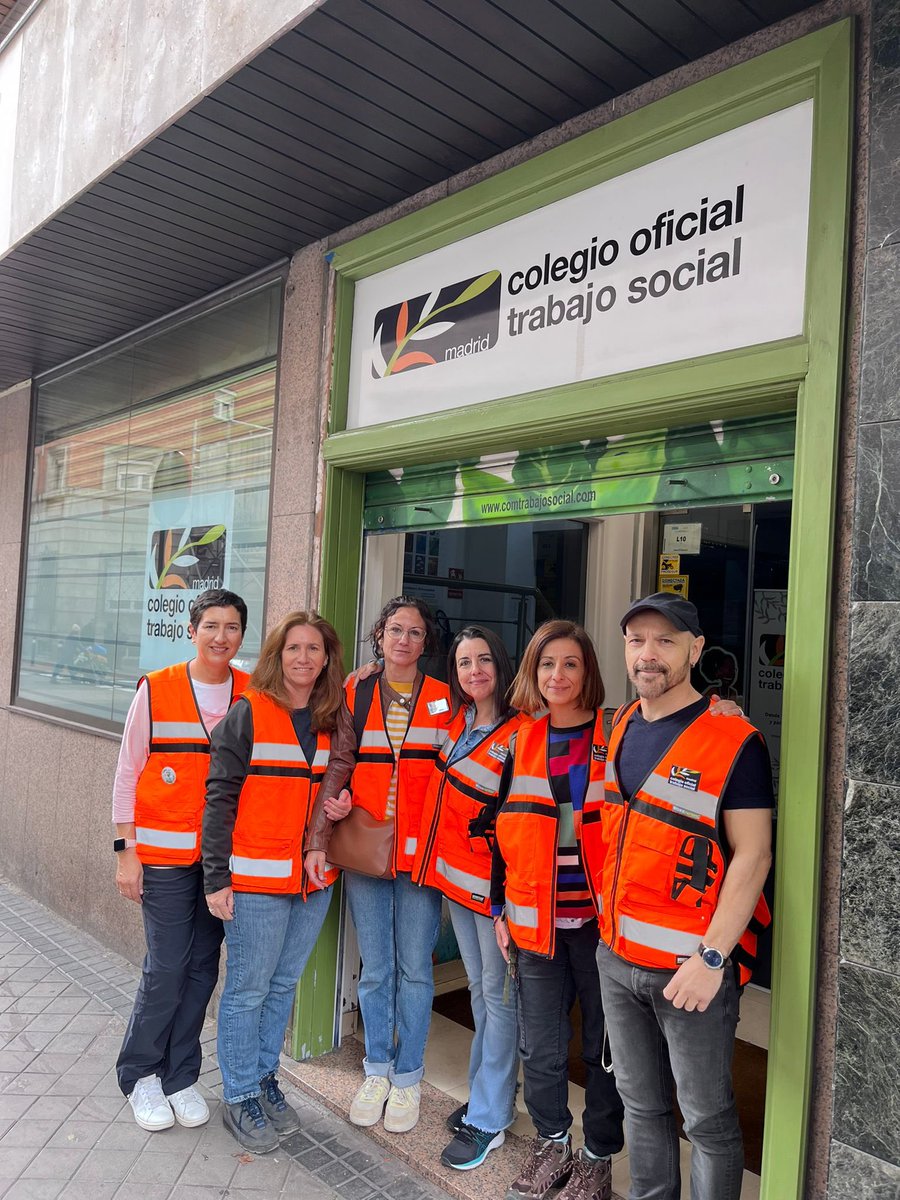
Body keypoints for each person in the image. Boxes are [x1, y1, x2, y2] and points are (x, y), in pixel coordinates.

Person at [589, 592, 773, 1200]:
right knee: (640, 1106)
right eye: (637, 640)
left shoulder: (732, 739)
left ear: (695, 650)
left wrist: (713, 959)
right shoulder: (617, 725)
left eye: (666, 641)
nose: (649, 654)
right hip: (618, 961)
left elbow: (754, 854)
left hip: (691, 972)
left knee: (707, 1120)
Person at [201, 611, 354, 1152]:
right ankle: (239, 1093)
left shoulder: (334, 718)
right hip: (257, 881)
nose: (304, 658)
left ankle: (264, 1077)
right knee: (247, 990)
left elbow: (331, 792)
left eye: (314, 649)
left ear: (327, 658)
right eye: (294, 648)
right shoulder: (249, 712)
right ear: (277, 655)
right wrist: (215, 878)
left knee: (282, 986)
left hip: (313, 880)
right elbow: (218, 800)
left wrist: (343, 804)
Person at [304, 596, 451, 1135]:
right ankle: (377, 1071)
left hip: (421, 853)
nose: (404, 640)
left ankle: (408, 1075)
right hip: (366, 848)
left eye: (414, 632)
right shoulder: (356, 690)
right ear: (379, 636)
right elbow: (340, 760)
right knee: (379, 967)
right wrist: (331, 810)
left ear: (425, 642)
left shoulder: (446, 697)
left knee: (415, 967)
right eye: (395, 630)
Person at [492, 619, 626, 1200]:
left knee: (604, 1049)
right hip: (535, 925)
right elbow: (501, 828)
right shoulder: (518, 738)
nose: (558, 675)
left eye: (570, 663)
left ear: (588, 672)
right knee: (540, 1047)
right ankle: (552, 1142)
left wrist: (720, 709)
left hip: (602, 928)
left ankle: (597, 1157)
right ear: (533, 672)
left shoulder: (619, 731)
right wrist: (500, 907)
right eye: (548, 664)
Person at [112, 588, 249, 1132]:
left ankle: (181, 1074)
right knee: (166, 964)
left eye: (232, 627)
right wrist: (126, 853)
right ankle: (140, 1073)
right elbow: (127, 772)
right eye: (211, 625)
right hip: (164, 857)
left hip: (220, 862)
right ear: (192, 629)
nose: (221, 636)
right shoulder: (158, 688)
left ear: (242, 635)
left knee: (200, 967)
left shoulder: (251, 691)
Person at [411, 625, 527, 1170]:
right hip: (458, 884)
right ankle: (491, 1094)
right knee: (483, 995)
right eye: (463, 663)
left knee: (499, 1000)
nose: (474, 671)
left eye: (484, 660)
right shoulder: (455, 721)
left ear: (502, 665)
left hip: (497, 894)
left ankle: (490, 1115)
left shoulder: (524, 730)